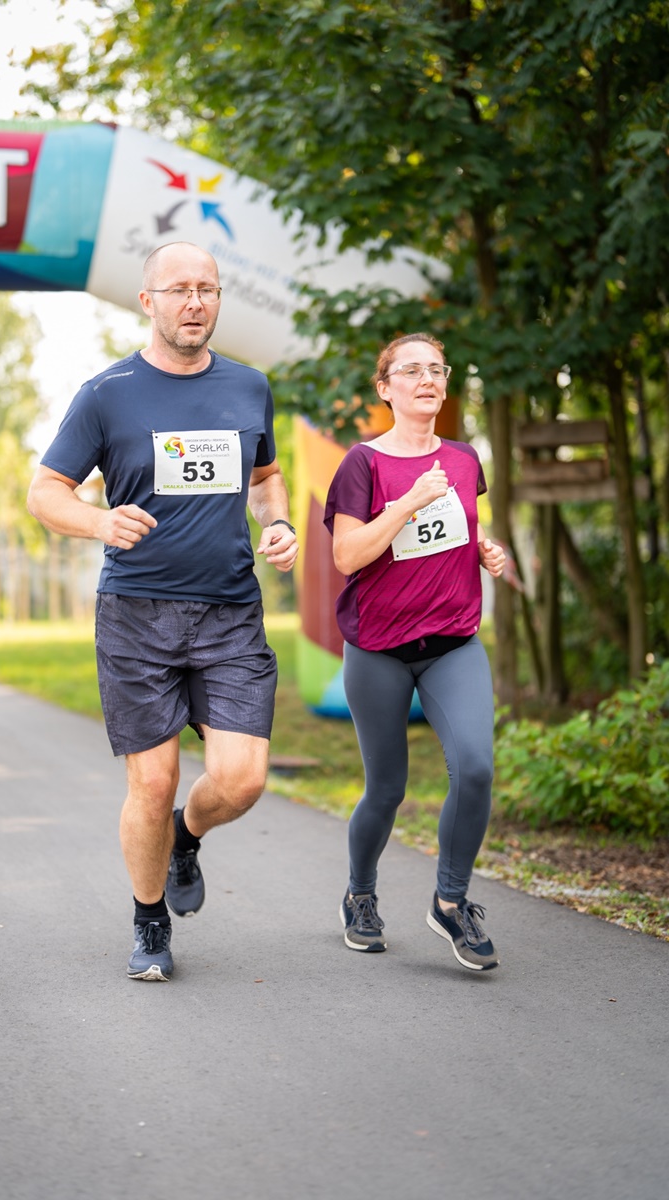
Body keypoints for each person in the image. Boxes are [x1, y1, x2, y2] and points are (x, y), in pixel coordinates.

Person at [27, 242, 297, 981]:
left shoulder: (249, 387)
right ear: (147, 301)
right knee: (151, 780)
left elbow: (267, 478)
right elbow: (46, 492)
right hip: (137, 614)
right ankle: (149, 920)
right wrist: (98, 522)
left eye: (206, 289)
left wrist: (277, 523)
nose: (194, 302)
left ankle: (186, 836)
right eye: (178, 289)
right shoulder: (107, 393)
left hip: (231, 612)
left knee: (242, 779)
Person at [323, 333, 506, 971]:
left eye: (436, 369)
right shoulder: (362, 464)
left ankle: (451, 903)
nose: (426, 379)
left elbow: (457, 530)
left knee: (476, 768)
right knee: (387, 789)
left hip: (453, 641)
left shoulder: (463, 458)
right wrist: (404, 504)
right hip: (378, 647)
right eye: (411, 371)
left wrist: (487, 550)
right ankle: (361, 894)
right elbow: (348, 556)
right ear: (385, 388)